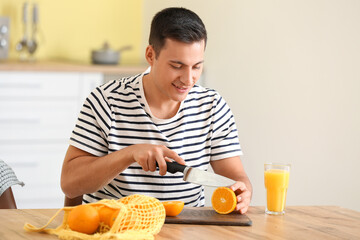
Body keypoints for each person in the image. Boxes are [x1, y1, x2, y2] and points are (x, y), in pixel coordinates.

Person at [61, 7, 252, 214]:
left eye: (196, 67)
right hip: (115, 229)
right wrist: (130, 154)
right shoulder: (106, 101)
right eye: (177, 66)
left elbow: (237, 179)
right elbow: (70, 184)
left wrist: (242, 192)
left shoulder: (213, 107)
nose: (188, 80)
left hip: (186, 231)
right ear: (151, 55)